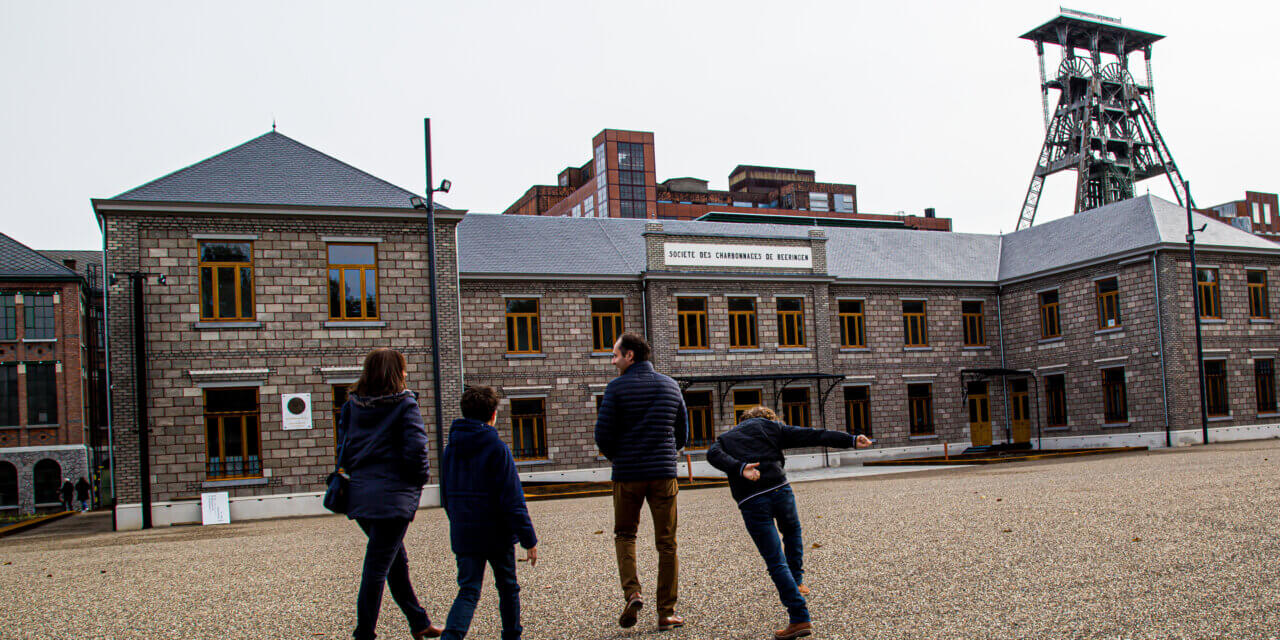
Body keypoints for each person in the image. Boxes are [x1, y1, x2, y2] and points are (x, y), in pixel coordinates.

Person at [706, 406, 872, 640]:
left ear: (743, 421)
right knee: (793, 531)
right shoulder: (773, 427)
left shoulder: (726, 438)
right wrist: (851, 440)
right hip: (780, 490)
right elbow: (815, 434)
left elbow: (712, 454)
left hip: (752, 500)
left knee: (774, 560)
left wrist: (740, 468)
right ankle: (797, 581)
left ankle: (799, 616)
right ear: (768, 418)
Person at [338, 348, 442, 640]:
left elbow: (343, 450)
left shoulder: (352, 406)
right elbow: (417, 449)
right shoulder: (405, 404)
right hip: (392, 499)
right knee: (376, 568)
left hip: (360, 496)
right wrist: (418, 482)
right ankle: (364, 634)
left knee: (394, 560)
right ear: (397, 372)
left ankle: (419, 621)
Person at [594, 333, 688, 631]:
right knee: (667, 543)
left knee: (625, 534)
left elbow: (603, 434)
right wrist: (664, 454)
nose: (613, 361)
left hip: (627, 475)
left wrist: (619, 457)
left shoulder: (616, 389)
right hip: (663, 474)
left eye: (615, 355)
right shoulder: (671, 385)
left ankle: (633, 592)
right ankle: (666, 612)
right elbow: (683, 433)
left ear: (630, 356)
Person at [439, 385, 538, 640]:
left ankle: (452, 636)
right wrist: (529, 540)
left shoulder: (450, 449)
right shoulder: (498, 449)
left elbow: (446, 495)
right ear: (493, 415)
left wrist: (459, 521)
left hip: (465, 532)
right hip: (497, 534)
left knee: (468, 590)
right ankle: (512, 635)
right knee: (507, 588)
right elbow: (513, 499)